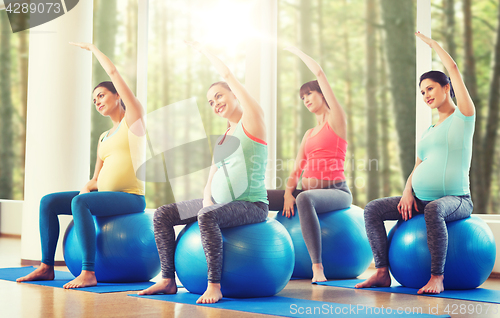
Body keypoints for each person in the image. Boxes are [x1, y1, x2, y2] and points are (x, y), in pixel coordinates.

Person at [138, 41, 269, 304]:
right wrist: (207, 197)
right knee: (163, 214)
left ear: (234, 95)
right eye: (210, 102)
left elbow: (228, 75)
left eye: (219, 96)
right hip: (218, 204)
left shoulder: (252, 121)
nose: (215, 103)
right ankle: (167, 280)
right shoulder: (225, 136)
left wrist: (206, 51)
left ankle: (214, 285)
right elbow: (213, 173)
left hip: (251, 205)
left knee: (207, 217)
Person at [16, 43, 146, 289]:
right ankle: (46, 266)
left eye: (102, 95)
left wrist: (95, 50)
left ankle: (88, 272)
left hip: (130, 197)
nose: (97, 101)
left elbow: (115, 74)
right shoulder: (104, 137)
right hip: (106, 196)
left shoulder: (134, 122)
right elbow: (95, 179)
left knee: (80, 202)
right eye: (94, 99)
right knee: (49, 201)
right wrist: (86, 189)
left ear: (117, 95)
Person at [355, 32, 475, 294]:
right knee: (373, 209)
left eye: (430, 88)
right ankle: (382, 272)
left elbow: (453, 69)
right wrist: (408, 191)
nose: (426, 95)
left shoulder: (463, 118)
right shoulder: (429, 129)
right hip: (419, 200)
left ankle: (437, 277)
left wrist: (433, 46)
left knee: (434, 210)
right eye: (422, 92)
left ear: (446, 88)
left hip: (456, 199)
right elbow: (418, 165)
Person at [267, 46, 352, 283]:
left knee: (304, 198)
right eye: (302, 98)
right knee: (260, 196)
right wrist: (286, 194)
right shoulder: (309, 133)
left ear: (322, 94)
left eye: (309, 94)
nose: (306, 100)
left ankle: (317, 267)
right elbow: (296, 170)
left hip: (336, 191)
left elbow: (320, 74)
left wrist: (297, 52)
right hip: (308, 191)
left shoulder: (336, 121)